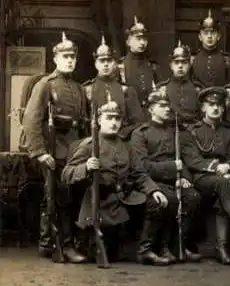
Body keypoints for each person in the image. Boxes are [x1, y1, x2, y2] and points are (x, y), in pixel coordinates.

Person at [61, 97, 172, 266]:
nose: (114, 123)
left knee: (155, 202)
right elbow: (66, 173)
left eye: (117, 118)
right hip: (100, 203)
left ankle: (145, 251)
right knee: (104, 252)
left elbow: (139, 173)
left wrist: (154, 190)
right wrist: (86, 167)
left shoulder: (126, 145)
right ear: (99, 120)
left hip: (124, 199)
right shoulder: (89, 145)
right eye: (109, 118)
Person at [22, 32, 88, 263]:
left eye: (73, 56)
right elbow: (31, 120)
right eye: (65, 56)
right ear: (55, 59)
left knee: (69, 196)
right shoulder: (45, 85)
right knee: (59, 197)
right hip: (54, 149)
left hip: (75, 150)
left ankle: (52, 241)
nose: (70, 60)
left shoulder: (79, 89)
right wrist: (39, 153)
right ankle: (63, 244)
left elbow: (84, 125)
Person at [129, 86, 203, 263]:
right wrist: (172, 167)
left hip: (175, 181)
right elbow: (143, 166)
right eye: (161, 105)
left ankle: (177, 245)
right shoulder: (140, 133)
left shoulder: (175, 131)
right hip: (152, 182)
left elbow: (183, 159)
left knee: (193, 197)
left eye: (168, 105)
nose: (167, 108)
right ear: (151, 109)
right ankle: (154, 248)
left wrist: (184, 177)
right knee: (169, 199)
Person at [182, 87, 230, 265]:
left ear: (224, 109)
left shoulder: (229, 132)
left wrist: (229, 166)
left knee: (223, 191)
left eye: (219, 105)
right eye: (211, 104)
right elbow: (192, 160)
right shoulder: (192, 131)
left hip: (223, 180)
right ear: (203, 108)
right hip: (198, 178)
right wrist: (217, 167)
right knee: (224, 185)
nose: (215, 108)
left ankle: (221, 248)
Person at [82, 35, 146, 139]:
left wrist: (122, 134)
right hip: (95, 142)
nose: (106, 64)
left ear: (115, 63)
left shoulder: (126, 90)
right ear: (96, 63)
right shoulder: (87, 90)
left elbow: (139, 122)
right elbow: (83, 123)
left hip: (122, 141)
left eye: (109, 61)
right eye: (102, 61)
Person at [117, 16, 163, 108]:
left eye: (144, 39)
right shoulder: (120, 66)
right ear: (128, 42)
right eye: (138, 39)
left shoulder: (153, 66)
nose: (142, 42)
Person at [156, 41, 202, 127]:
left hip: (193, 130)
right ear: (171, 65)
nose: (180, 66)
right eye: (176, 62)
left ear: (189, 65)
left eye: (184, 62)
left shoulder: (197, 88)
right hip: (171, 130)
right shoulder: (163, 88)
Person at [191, 9, 230, 87]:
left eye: (213, 33)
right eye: (205, 33)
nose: (209, 36)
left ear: (218, 36)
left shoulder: (227, 60)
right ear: (200, 37)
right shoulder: (192, 59)